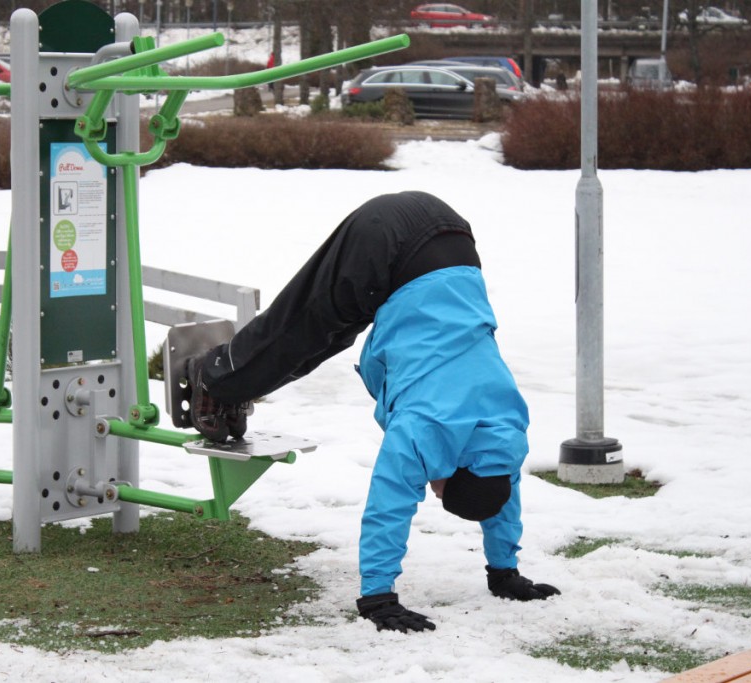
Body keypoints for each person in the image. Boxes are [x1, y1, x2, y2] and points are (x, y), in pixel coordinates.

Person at [185, 191, 559, 633]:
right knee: (300, 332)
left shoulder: (506, 436)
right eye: (441, 491)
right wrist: (378, 597)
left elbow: (501, 495)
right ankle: (211, 377)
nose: (432, 491)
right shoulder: (424, 431)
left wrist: (505, 573)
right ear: (455, 471)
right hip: (390, 241)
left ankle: (233, 386)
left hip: (450, 239)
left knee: (328, 336)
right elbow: (388, 508)